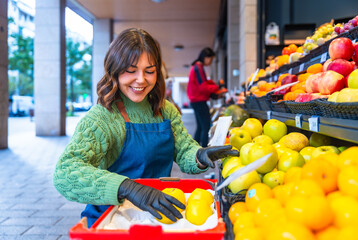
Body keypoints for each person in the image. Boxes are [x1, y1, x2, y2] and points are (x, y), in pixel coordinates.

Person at [53, 28, 239, 227]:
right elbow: (65, 172)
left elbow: (184, 149)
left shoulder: (165, 110)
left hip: (155, 216)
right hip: (111, 221)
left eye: (149, 71)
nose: (141, 79)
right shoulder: (102, 117)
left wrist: (200, 156)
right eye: (131, 71)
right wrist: (126, 188)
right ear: (114, 69)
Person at [187, 47, 220, 147]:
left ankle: (194, 149)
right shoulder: (198, 68)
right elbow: (203, 87)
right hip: (199, 101)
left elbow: (203, 84)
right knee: (206, 126)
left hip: (196, 100)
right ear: (206, 57)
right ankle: (204, 151)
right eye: (211, 59)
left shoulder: (197, 67)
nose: (210, 62)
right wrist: (216, 87)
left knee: (201, 126)